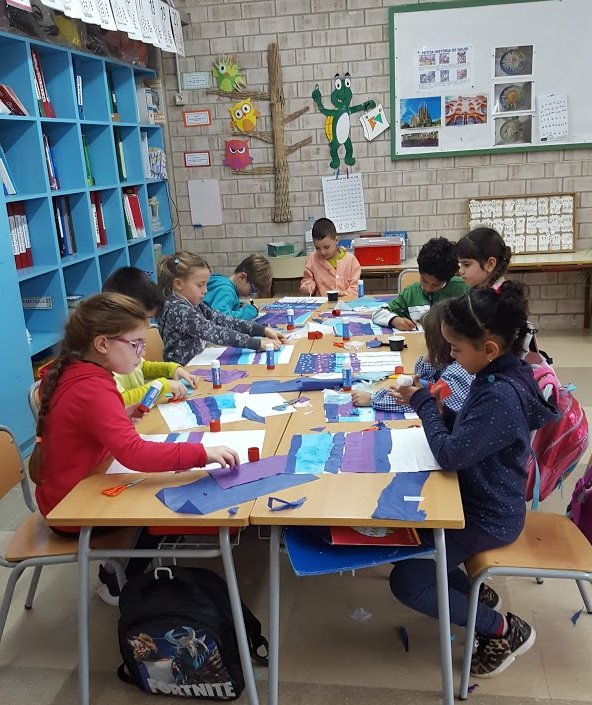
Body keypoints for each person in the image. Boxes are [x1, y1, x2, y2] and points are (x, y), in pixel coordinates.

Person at [388, 282, 558, 678]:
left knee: (407, 582)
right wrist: (441, 412)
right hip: (478, 499)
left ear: (489, 349)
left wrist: (424, 405)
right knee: (403, 538)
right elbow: (473, 432)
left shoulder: (500, 394)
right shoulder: (497, 373)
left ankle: (502, 629)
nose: (450, 355)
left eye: (456, 348)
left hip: (488, 515)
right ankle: (475, 594)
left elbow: (451, 454)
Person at [28, 293, 238, 604]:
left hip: (65, 491)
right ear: (102, 344)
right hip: (73, 508)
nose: (141, 354)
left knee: (163, 485)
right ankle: (117, 577)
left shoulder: (74, 370)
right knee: (164, 498)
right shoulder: (94, 387)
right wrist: (202, 454)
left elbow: (83, 425)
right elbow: (135, 454)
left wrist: (120, 416)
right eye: (135, 344)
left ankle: (136, 564)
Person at [157, 251, 285, 365]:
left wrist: (262, 330)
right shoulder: (179, 310)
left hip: (195, 363)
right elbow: (215, 332)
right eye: (200, 285)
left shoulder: (193, 304)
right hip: (183, 373)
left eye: (205, 285)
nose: (205, 290)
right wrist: (258, 344)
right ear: (179, 284)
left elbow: (223, 320)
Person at [352, 301, 473, 415]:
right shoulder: (452, 361)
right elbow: (423, 381)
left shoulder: (458, 372)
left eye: (428, 338)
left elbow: (425, 402)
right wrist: (430, 355)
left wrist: (373, 398)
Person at [103, 266, 197, 404]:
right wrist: (160, 386)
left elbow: (142, 367)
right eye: (144, 318)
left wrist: (171, 369)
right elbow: (121, 400)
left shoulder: (124, 345)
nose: (148, 326)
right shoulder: (107, 357)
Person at [372, 237, 467, 331]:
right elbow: (378, 313)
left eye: (435, 285)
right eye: (424, 281)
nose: (427, 288)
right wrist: (395, 321)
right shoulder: (410, 294)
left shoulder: (463, 290)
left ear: (448, 279)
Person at [299, 217, 361, 297]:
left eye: (326, 247)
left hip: (346, 303)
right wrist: (308, 286)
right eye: (317, 248)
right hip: (322, 304)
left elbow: (355, 289)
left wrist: (341, 294)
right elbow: (306, 282)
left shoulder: (351, 261)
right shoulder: (312, 259)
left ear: (336, 240)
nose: (322, 252)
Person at [203, 254, 272, 321]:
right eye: (252, 290)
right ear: (242, 277)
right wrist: (250, 311)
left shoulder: (222, 283)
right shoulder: (226, 291)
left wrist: (240, 305)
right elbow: (222, 320)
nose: (250, 295)